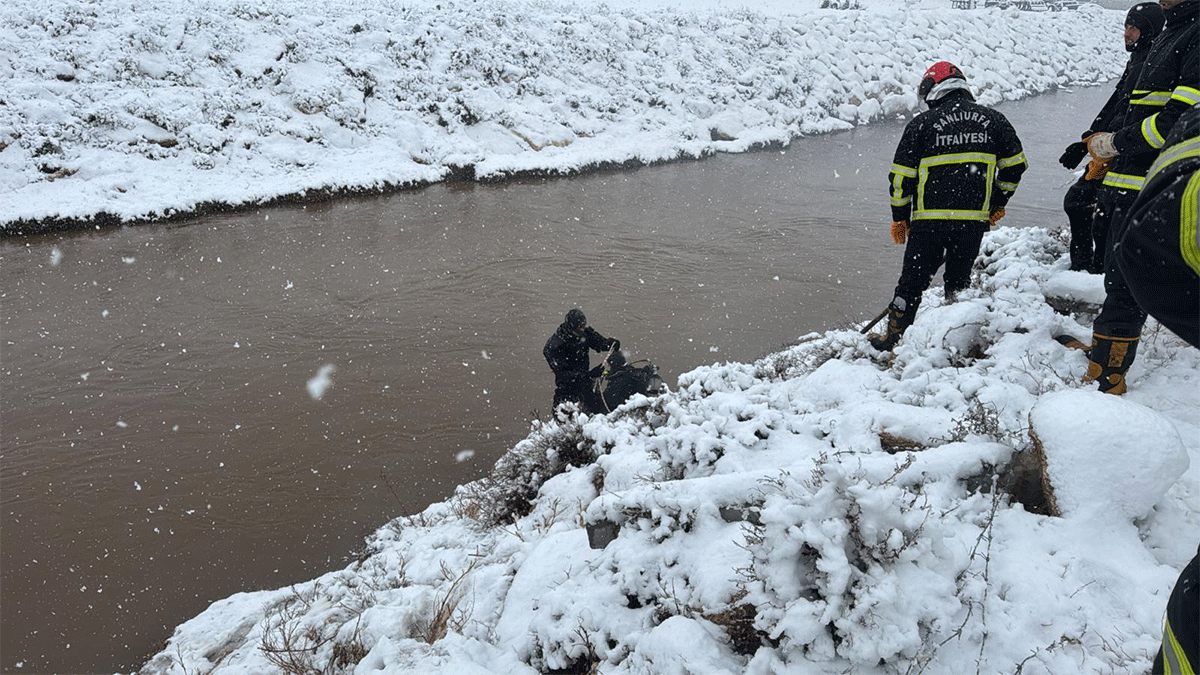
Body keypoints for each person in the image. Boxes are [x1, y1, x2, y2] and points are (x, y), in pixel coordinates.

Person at [1074, 0, 1197, 393]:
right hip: (1123, 182)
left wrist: (1114, 143)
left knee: (1128, 282)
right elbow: (1130, 104)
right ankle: (1102, 355)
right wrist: (1101, 149)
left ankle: (1112, 375)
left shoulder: (1194, 34)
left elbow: (1175, 123)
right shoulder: (1168, 33)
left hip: (1150, 188)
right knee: (1115, 276)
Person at [870, 61, 1028, 352]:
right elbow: (1016, 167)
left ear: (931, 90)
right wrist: (997, 202)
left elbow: (900, 178)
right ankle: (956, 339)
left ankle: (893, 338)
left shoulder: (922, 124)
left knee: (911, 283)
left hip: (929, 222)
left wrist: (899, 218)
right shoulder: (994, 120)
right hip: (972, 222)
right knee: (958, 281)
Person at [1059, 2, 1164, 272]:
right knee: (1080, 202)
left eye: (1133, 28)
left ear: (1149, 31)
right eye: (1126, 27)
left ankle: (1096, 270)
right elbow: (1117, 102)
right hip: (1114, 146)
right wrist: (1086, 142)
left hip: (1130, 152)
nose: (1126, 34)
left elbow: (1135, 114)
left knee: (1102, 213)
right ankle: (1087, 268)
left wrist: (1111, 145)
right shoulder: (1139, 58)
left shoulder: (1155, 62)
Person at [543, 308, 617, 410]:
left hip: (585, 385)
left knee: (600, 410)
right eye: (579, 328)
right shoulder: (554, 347)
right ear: (571, 327)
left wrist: (610, 344)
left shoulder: (584, 334)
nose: (582, 329)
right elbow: (563, 374)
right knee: (564, 415)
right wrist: (589, 375)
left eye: (583, 326)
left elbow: (599, 343)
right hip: (566, 389)